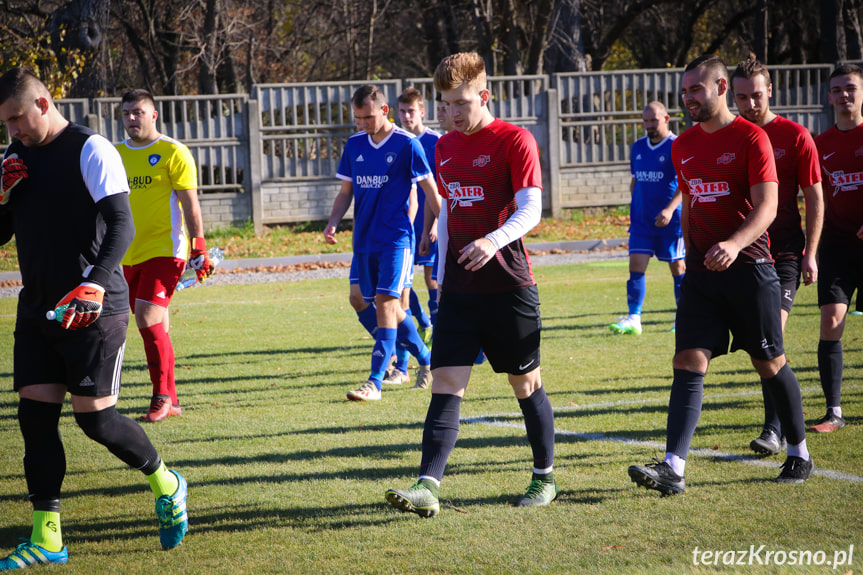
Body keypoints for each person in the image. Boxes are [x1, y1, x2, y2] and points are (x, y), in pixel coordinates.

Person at [0, 67, 188, 570]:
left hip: (94, 306)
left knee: (96, 422)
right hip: (38, 307)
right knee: (34, 421)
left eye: (17, 118)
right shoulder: (13, 159)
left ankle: (167, 481)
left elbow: (122, 224)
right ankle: (49, 538)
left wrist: (97, 280)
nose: (13, 130)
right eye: (5, 123)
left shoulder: (91, 149)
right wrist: (0, 193)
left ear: (42, 104)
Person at [627, 55, 813, 496]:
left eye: (697, 89)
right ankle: (673, 467)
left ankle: (799, 452)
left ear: (722, 87)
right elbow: (691, 202)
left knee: (770, 363)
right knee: (688, 362)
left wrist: (733, 244)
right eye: (685, 90)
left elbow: (768, 206)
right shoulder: (683, 145)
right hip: (702, 277)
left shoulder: (752, 138)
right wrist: (691, 258)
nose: (689, 97)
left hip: (751, 270)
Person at [385, 52, 556, 517]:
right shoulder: (442, 147)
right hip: (460, 292)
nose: (451, 112)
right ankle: (427, 487)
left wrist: (492, 241)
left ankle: (544, 478)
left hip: (510, 289)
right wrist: (439, 278)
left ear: (484, 95)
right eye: (444, 103)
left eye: (460, 102)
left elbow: (532, 210)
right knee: (446, 384)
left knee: (525, 384)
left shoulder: (515, 140)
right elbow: (449, 213)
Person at [730, 57, 824, 453]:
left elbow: (814, 196)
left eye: (756, 95)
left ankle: (774, 429)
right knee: (757, 342)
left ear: (770, 91)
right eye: (741, 97)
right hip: (746, 253)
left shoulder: (795, 135)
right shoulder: (730, 136)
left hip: (784, 251)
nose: (750, 104)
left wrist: (811, 253)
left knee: (774, 337)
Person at [324, 85, 440, 401]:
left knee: (388, 305)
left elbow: (430, 189)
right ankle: (427, 359)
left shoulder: (407, 145)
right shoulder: (354, 145)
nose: (363, 124)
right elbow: (346, 191)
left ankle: (375, 380)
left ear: (384, 111)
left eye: (368, 117)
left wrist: (443, 225)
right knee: (359, 300)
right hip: (364, 239)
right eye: (358, 118)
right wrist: (334, 221)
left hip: (396, 239)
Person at [117, 89, 214, 423]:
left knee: (145, 318)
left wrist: (198, 246)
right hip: (129, 254)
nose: (132, 118)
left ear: (154, 114)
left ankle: (160, 397)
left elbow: (190, 203)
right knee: (157, 323)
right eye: (127, 112)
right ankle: (171, 398)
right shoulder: (114, 154)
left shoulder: (173, 152)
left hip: (166, 250)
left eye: (138, 112)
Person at [810, 64, 863, 433]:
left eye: (851, 88)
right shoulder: (819, 144)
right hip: (835, 246)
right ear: (829, 97)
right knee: (831, 322)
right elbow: (814, 198)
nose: (844, 95)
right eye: (837, 90)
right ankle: (834, 412)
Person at [380, 87, 442, 387]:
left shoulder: (435, 142)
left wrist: (435, 225)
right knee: (400, 295)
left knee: (431, 282)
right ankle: (420, 336)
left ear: (422, 112)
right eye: (401, 111)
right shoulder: (395, 142)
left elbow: (437, 188)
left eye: (411, 111)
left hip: (428, 228)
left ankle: (418, 352)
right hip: (401, 232)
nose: (405, 117)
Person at [609, 101, 685, 335]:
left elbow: (685, 185)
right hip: (642, 222)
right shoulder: (638, 147)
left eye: (653, 120)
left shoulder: (677, 146)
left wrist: (670, 209)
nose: (649, 125)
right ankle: (634, 318)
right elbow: (636, 181)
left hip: (670, 223)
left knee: (678, 268)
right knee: (635, 267)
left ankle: (683, 318)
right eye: (645, 121)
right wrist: (637, 206)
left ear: (666, 119)